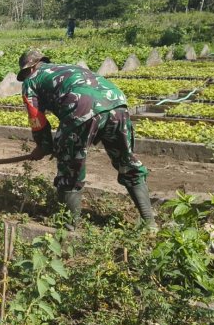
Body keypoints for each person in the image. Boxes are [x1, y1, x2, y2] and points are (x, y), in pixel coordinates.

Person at [8, 48, 154, 227]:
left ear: (29, 69)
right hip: (117, 103)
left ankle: (69, 226)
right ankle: (150, 222)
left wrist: (43, 145)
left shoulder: (31, 80)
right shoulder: (67, 67)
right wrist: (50, 145)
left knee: (70, 168)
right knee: (127, 162)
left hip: (82, 108)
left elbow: (36, 117)